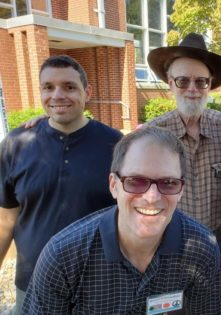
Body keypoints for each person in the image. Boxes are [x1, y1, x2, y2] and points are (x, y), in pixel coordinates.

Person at [22, 126, 221, 315]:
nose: (152, 197)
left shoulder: (201, 248)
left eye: (169, 183)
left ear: (181, 190)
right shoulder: (63, 258)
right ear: (113, 185)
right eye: (136, 181)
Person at [0, 55, 122, 314]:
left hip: (98, 285)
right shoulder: (16, 144)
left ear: (87, 92)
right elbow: (5, 221)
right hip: (32, 284)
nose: (57, 95)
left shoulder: (115, 145)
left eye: (69, 86)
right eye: (48, 87)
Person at [144, 33, 221, 300]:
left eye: (201, 81)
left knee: (214, 306)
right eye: (183, 80)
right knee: (169, 309)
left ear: (210, 85)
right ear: (170, 84)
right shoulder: (152, 135)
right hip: (166, 244)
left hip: (218, 242)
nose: (192, 88)